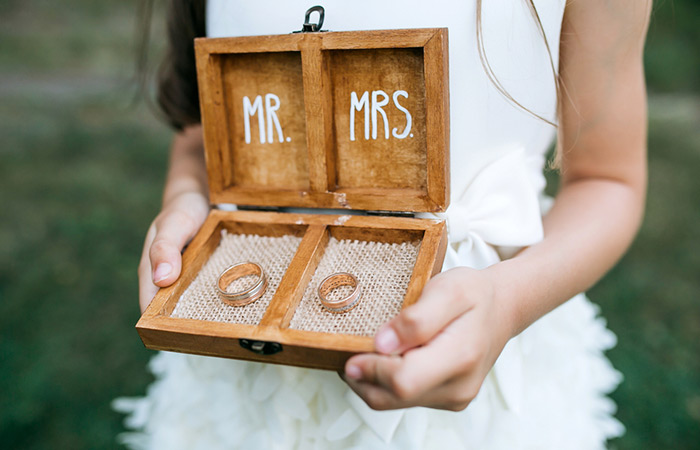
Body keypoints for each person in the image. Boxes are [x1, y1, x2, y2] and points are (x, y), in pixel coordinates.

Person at [115, 0, 651, 448]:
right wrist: (186, 195)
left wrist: (508, 301)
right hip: (242, 376)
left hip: (480, 366)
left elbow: (608, 179)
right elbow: (198, 128)